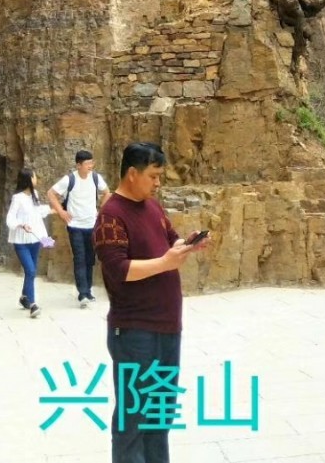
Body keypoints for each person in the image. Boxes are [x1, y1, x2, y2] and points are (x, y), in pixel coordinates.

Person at [93, 140, 208, 463]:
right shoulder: (111, 215)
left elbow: (170, 240)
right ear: (132, 173)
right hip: (133, 332)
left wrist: (188, 246)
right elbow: (117, 270)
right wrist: (165, 263)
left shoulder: (153, 207)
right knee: (133, 418)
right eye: (153, 176)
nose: (158, 183)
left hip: (167, 328)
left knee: (160, 415)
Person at [47, 148, 110, 307]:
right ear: (78, 165)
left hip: (91, 225)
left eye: (91, 162)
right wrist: (61, 212)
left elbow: (107, 192)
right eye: (87, 163)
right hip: (75, 226)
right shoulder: (69, 179)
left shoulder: (96, 178)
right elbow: (51, 193)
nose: (90, 166)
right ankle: (82, 294)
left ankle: (88, 290)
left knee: (90, 259)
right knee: (80, 258)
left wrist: (100, 210)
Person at [6, 168, 53, 319]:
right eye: (34, 177)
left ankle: (24, 298)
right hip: (21, 241)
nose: (36, 179)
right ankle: (33, 304)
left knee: (31, 271)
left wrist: (54, 210)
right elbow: (10, 219)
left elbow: (37, 214)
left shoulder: (35, 195)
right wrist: (21, 224)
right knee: (31, 270)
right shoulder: (17, 198)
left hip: (34, 239)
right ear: (28, 179)